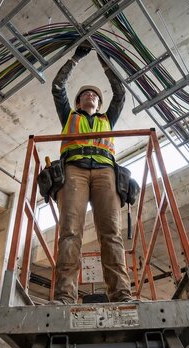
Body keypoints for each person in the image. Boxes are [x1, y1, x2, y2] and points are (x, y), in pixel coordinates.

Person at [49, 40, 133, 305]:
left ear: (99, 102)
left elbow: (120, 94)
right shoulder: (69, 116)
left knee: (111, 233)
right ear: (78, 101)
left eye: (95, 95)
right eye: (85, 94)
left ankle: (121, 294)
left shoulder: (107, 118)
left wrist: (104, 60)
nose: (91, 96)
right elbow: (57, 87)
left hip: (105, 173)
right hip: (74, 172)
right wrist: (76, 58)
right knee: (70, 231)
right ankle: (64, 296)